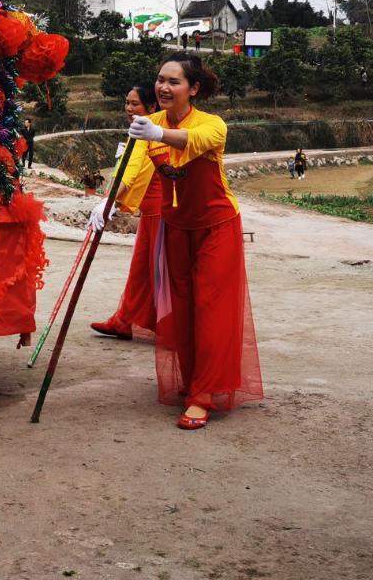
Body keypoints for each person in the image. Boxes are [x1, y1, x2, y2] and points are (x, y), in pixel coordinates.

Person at [93, 53, 263, 429]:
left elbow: (194, 140)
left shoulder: (212, 124)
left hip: (216, 225)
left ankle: (204, 395)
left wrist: (159, 134)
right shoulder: (146, 124)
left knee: (211, 306)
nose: (164, 87)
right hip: (174, 226)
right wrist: (108, 201)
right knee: (182, 308)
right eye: (160, 80)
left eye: (174, 82)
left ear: (193, 89)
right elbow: (133, 170)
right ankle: (192, 383)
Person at [89, 82, 162, 340]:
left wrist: (107, 202)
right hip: (151, 210)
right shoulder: (145, 128)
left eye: (135, 104)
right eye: (127, 103)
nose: (129, 109)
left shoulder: (149, 130)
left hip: (162, 212)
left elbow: (129, 175)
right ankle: (123, 320)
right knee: (142, 269)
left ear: (151, 106)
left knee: (159, 271)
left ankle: (171, 327)